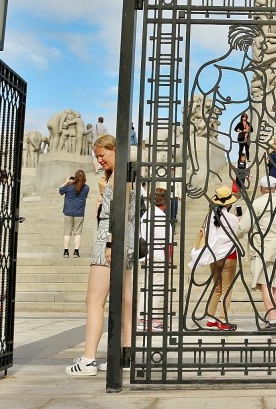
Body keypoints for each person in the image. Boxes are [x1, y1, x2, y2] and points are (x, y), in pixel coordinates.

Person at [66, 135, 135, 377]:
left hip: (109, 239)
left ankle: (88, 359)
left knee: (94, 300)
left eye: (102, 155)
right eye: (97, 156)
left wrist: (108, 243)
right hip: (125, 240)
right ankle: (125, 356)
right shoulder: (127, 176)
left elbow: (115, 212)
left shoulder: (117, 179)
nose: (99, 160)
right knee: (126, 300)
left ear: (115, 150)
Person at [239, 177, 276, 328]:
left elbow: (243, 227)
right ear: (275, 187)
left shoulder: (257, 203)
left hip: (263, 249)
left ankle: (272, 319)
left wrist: (236, 233)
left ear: (260, 188)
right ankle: (272, 317)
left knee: (265, 284)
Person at [191, 186, 242, 331]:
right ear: (228, 203)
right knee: (227, 288)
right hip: (228, 255)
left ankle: (211, 319)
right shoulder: (232, 218)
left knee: (217, 288)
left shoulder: (209, 216)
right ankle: (223, 319)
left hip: (213, 256)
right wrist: (239, 219)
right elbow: (238, 233)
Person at [138, 187, 168, 331]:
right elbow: (165, 240)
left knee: (146, 287)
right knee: (156, 287)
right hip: (156, 254)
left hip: (145, 254)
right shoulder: (161, 217)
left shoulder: (146, 215)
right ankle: (151, 318)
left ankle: (143, 316)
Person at [59, 170, 90, 258]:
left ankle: (66, 252)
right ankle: (76, 252)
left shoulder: (69, 187)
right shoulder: (86, 188)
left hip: (68, 212)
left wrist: (66, 181)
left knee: (67, 233)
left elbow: (60, 191)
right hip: (79, 213)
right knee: (77, 233)